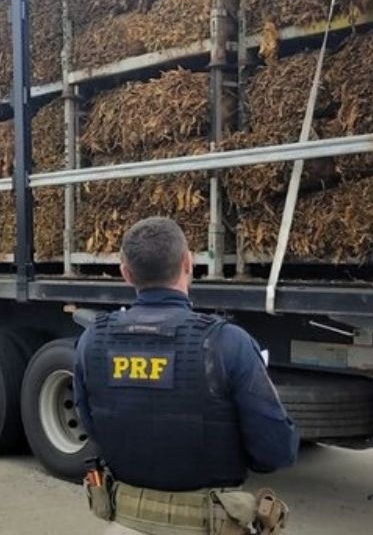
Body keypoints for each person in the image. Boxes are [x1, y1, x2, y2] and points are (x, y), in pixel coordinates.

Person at [72, 217, 299, 535]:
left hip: (124, 523)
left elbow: (92, 427)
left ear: (125, 273)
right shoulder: (227, 342)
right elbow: (276, 451)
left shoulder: (90, 342)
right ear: (188, 263)